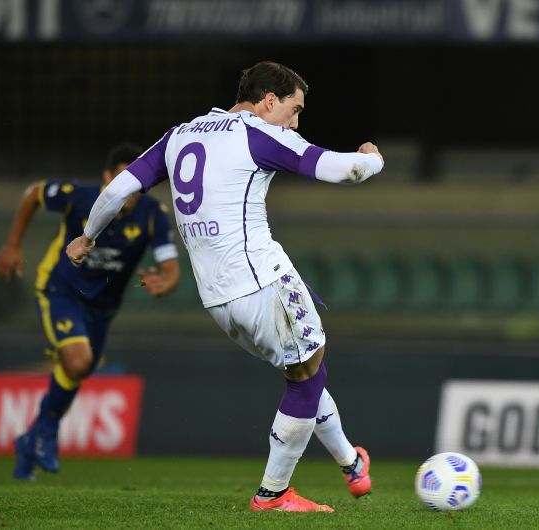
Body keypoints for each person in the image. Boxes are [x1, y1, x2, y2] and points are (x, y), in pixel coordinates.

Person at [66, 61, 384, 512]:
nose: (296, 122)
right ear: (268, 101)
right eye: (294, 109)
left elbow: (119, 189)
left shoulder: (179, 135)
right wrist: (373, 159)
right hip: (263, 280)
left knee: (304, 369)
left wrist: (87, 236)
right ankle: (273, 494)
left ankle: (352, 464)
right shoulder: (256, 132)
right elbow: (338, 169)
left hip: (217, 300)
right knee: (307, 371)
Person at [0, 143, 180, 480]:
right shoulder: (80, 198)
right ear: (107, 178)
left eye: (136, 183)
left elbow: (170, 270)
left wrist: (162, 284)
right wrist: (12, 245)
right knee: (78, 361)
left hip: (102, 307)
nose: (129, 191)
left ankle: (29, 441)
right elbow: (33, 193)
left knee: (78, 369)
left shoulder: (153, 214)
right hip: (61, 290)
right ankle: (46, 433)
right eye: (121, 179)